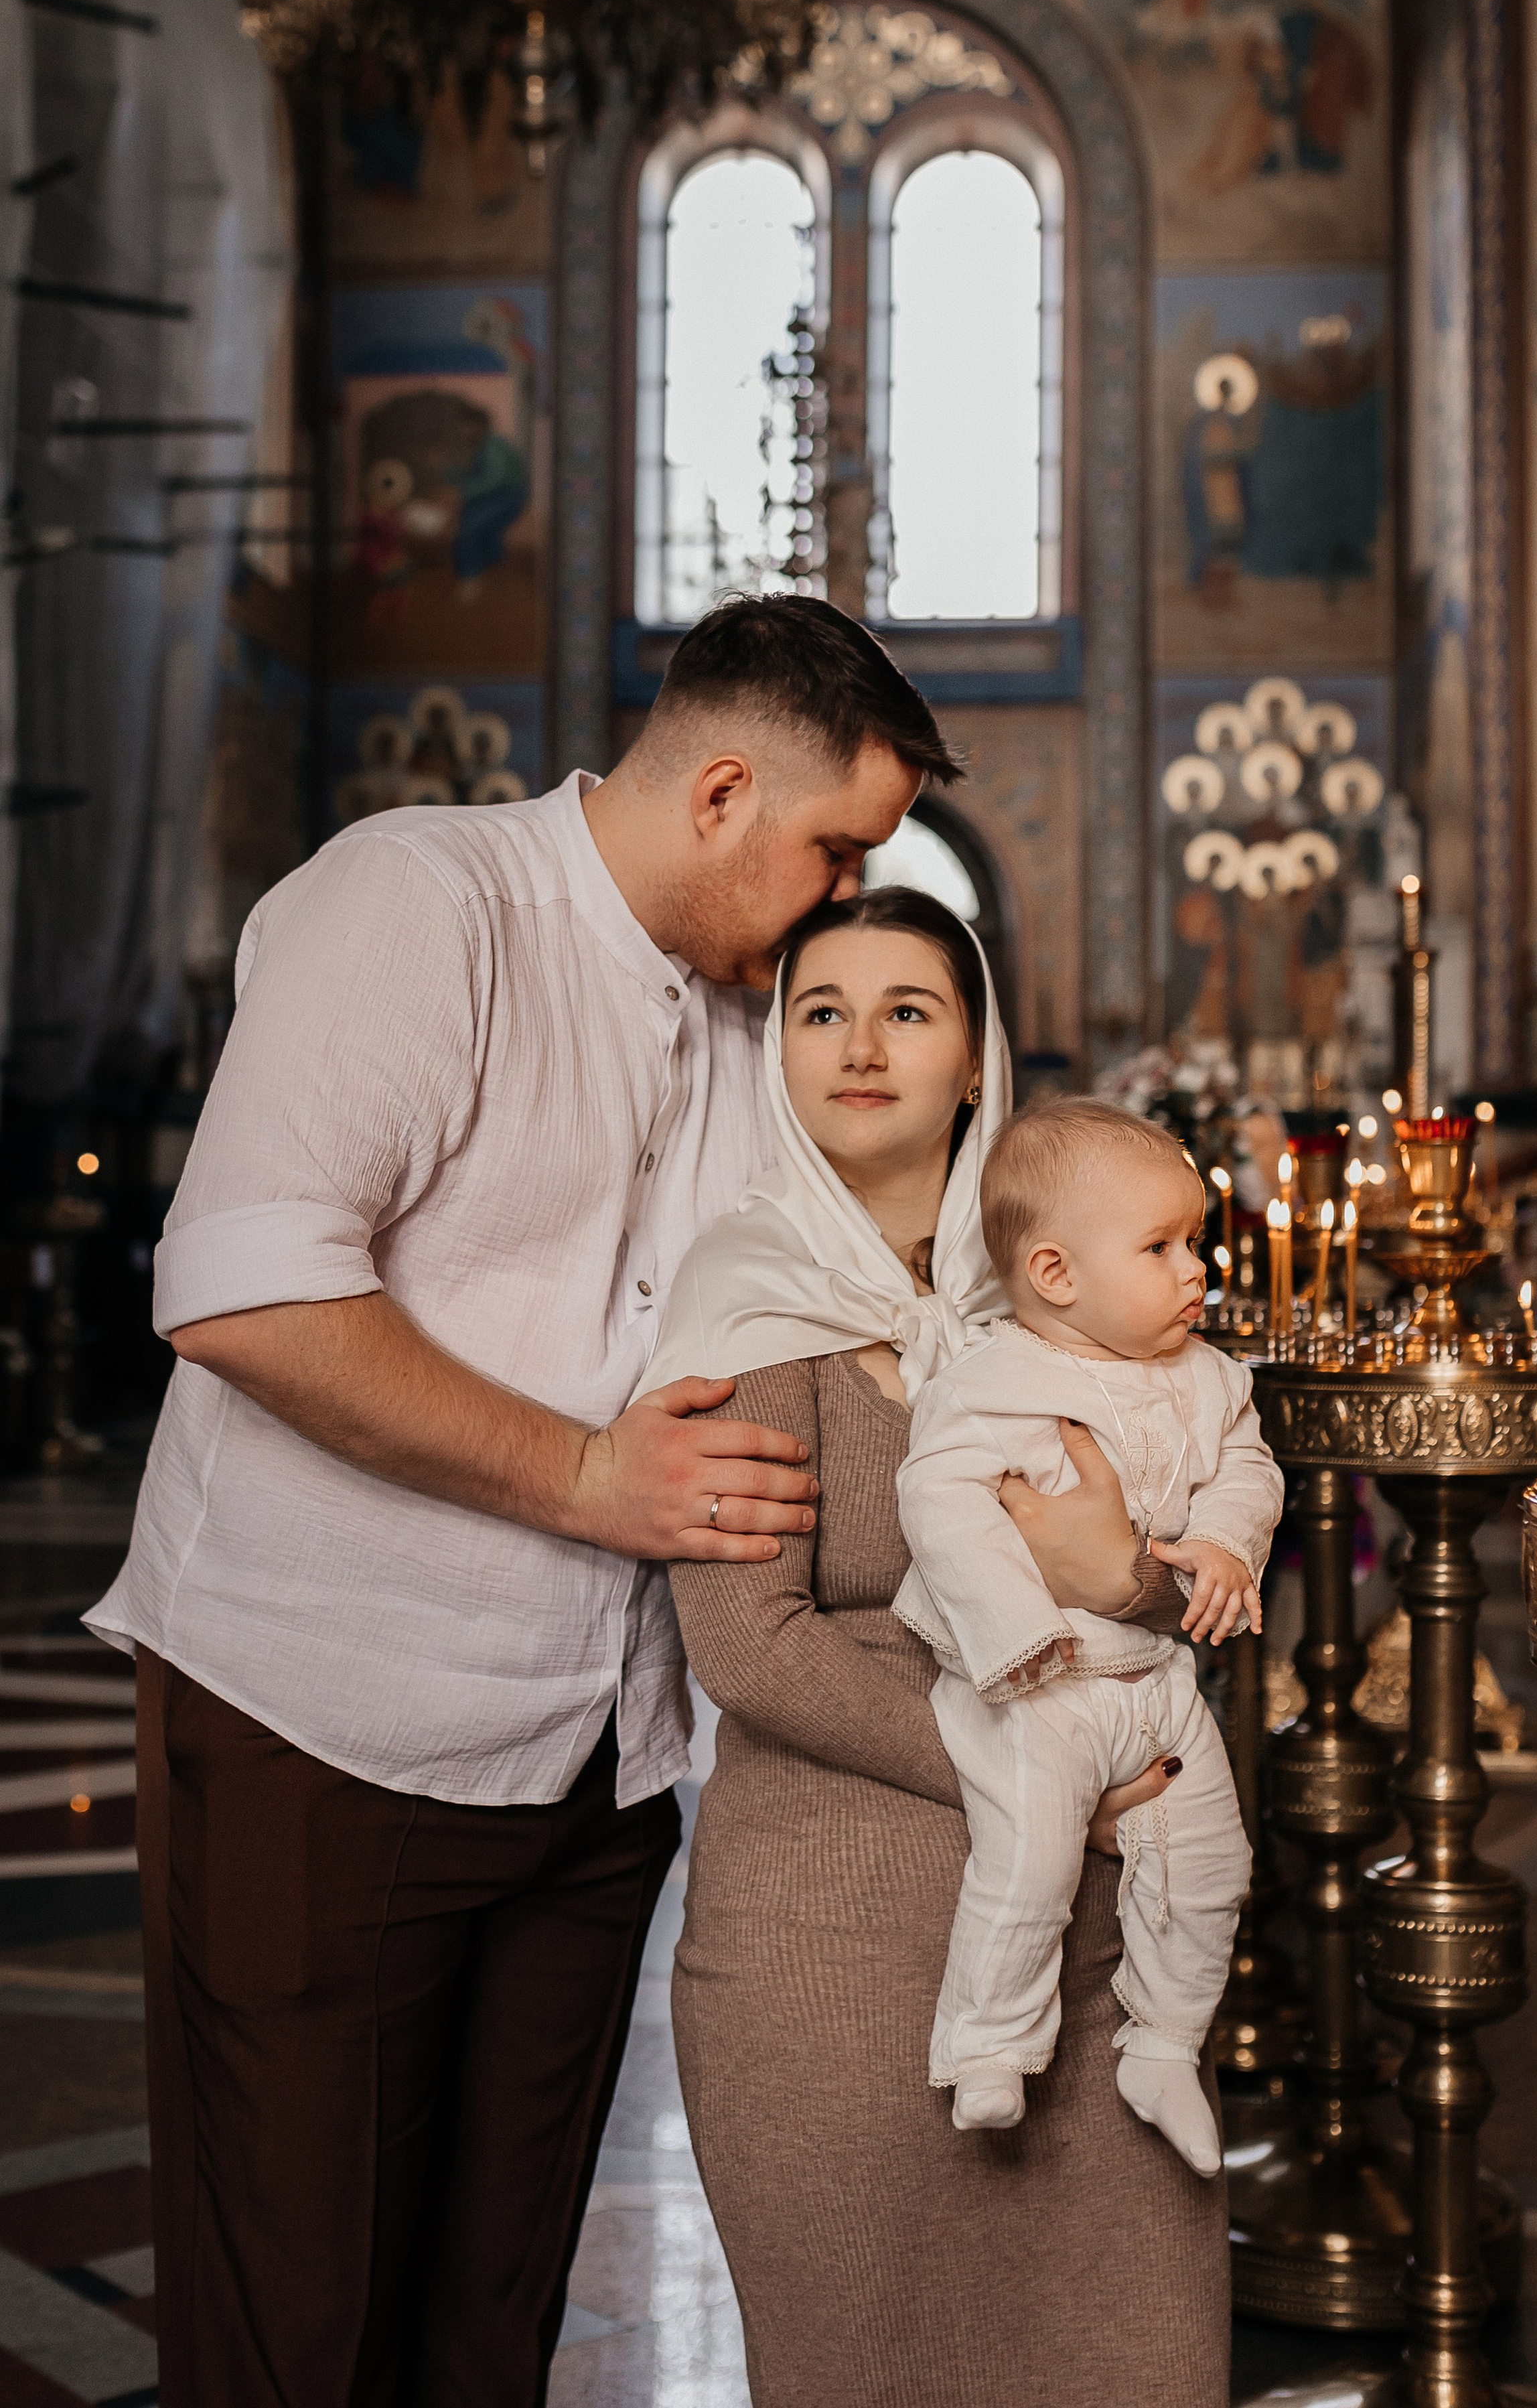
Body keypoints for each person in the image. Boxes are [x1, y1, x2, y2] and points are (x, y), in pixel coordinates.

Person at [83, 594, 956, 2407]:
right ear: (723, 792)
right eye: (838, 849)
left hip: (597, 1762)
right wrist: (579, 1471)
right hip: (326, 1717)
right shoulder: (422, 902)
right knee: (304, 2333)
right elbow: (241, 1288)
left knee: (491, 2328)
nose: (849, 894)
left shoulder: (744, 1017)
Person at [646, 888, 1235, 2408]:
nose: (857, 1043)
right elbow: (751, 1646)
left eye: (907, 1008)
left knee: (1140, 2364)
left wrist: (1132, 1580)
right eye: (817, 1009)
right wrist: (1042, 1762)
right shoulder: (743, 1294)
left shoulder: (1078, 1281)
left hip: (1095, 1950)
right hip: (830, 1953)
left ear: (976, 1056)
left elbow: (1197, 1560)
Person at [893, 1100, 1280, 2168]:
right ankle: (988, 2044)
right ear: (1056, 1274)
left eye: (1193, 1239)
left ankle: (1163, 2044)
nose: (1197, 1267)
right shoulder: (995, 1381)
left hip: (1154, 1675)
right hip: (1034, 1684)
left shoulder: (1208, 1375)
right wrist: (1012, 1635)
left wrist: (1222, 1541)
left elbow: (1249, 1466)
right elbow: (940, 1501)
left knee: (1212, 1861)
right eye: (1161, 1247)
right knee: (1029, 1862)